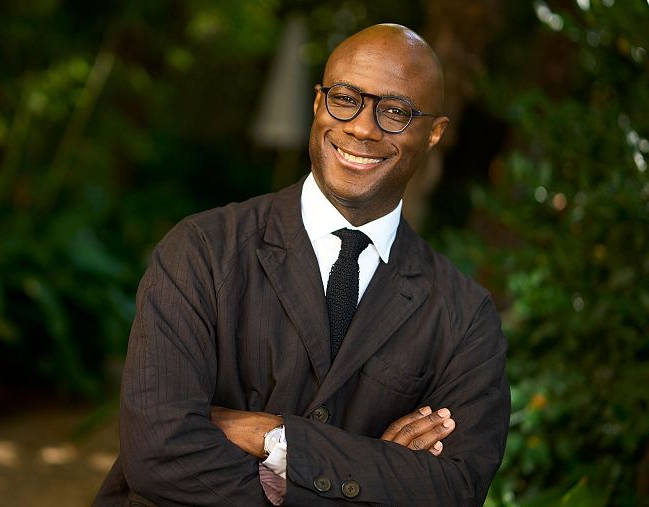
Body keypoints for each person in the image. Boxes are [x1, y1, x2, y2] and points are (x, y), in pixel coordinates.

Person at [95, 23, 509, 506]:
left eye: (395, 111)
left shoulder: (464, 318)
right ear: (318, 104)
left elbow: (453, 489)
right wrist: (373, 470)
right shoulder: (202, 251)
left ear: (434, 132)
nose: (361, 126)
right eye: (345, 98)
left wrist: (277, 438)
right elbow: (158, 453)